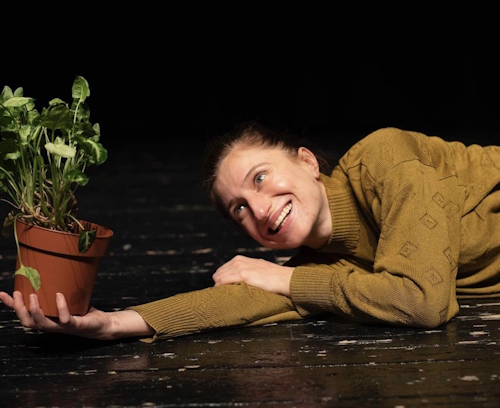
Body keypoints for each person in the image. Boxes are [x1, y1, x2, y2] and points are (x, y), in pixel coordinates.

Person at [1, 122, 500, 343]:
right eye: (240, 207)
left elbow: (422, 302)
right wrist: (109, 324)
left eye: (260, 177)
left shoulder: (386, 160)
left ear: (306, 162)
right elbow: (241, 302)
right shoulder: (329, 268)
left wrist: (282, 279)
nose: (259, 208)